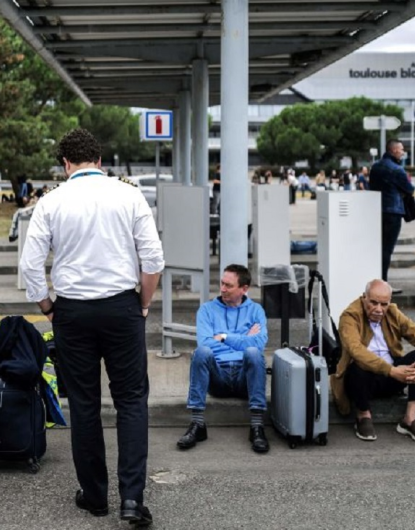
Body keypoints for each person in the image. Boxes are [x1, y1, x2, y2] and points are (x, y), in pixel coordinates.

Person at [20, 128, 164, 527]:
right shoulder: (128, 194)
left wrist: (48, 306)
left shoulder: (50, 202)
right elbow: (152, 259)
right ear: (99, 160)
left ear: (65, 164)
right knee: (132, 401)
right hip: (122, 307)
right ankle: (132, 499)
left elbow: (30, 266)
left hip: (72, 311)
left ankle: (95, 496)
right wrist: (144, 302)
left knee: (84, 404)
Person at [177, 264, 270, 454]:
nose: (222, 289)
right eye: (222, 283)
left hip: (245, 377)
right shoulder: (207, 310)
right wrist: (245, 338)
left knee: (253, 353)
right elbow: (205, 342)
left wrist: (224, 337)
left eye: (229, 285)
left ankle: (257, 427)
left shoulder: (256, 310)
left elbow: (259, 344)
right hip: (217, 375)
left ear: (244, 289)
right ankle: (197, 424)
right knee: (201, 352)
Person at [334, 279, 415, 443]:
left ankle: (410, 419)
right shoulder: (350, 316)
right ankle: (363, 415)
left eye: (383, 304)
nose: (378, 309)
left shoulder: (392, 313)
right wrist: (392, 370)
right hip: (363, 381)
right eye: (373, 303)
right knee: (356, 367)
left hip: (392, 377)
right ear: (364, 298)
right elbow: (356, 350)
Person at [369, 140, 414, 289]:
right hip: (393, 212)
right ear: (394, 150)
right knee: (387, 249)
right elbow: (409, 189)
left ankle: (375, 282)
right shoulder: (397, 169)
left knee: (377, 248)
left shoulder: (375, 167)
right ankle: (383, 284)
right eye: (401, 149)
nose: (403, 152)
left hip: (375, 211)